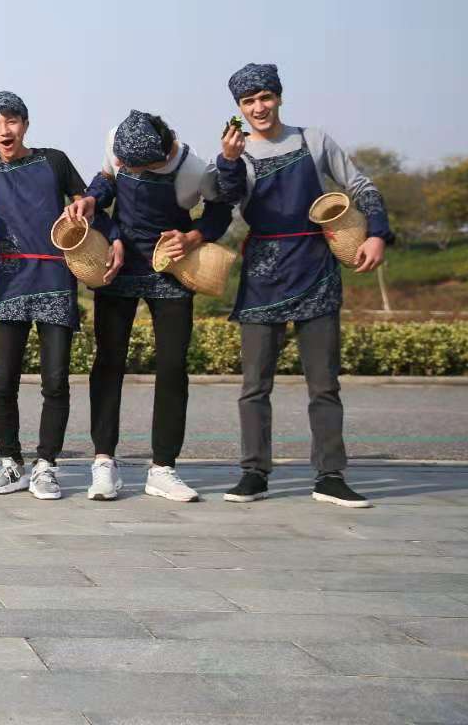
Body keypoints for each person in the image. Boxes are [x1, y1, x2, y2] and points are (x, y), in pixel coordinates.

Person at [0, 21, 117, 500]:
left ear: (25, 124)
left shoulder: (54, 160)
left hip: (56, 276)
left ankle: (46, 465)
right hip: (10, 278)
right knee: (3, 380)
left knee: (55, 380)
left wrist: (105, 226)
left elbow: (91, 204)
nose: (3, 130)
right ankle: (10, 463)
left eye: (10, 121)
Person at [214, 63, 390, 508]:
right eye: (249, 102)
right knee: (255, 385)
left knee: (324, 384)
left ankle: (330, 476)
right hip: (262, 274)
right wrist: (229, 162)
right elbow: (228, 199)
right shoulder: (237, 153)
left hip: (316, 268)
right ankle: (254, 473)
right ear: (239, 108)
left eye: (265, 97)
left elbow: (361, 185)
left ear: (279, 97)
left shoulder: (314, 140)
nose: (259, 107)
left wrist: (376, 233)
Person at [66, 110, 233, 502]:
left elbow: (220, 211)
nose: (125, 167)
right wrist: (91, 199)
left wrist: (193, 237)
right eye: (123, 162)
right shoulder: (117, 140)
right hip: (118, 263)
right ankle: (103, 462)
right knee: (108, 363)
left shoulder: (195, 169)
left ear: (162, 156)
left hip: (172, 268)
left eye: (134, 167)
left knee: (172, 367)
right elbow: (106, 180)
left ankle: (163, 468)